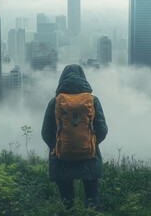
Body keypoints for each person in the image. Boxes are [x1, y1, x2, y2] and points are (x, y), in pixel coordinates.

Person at [41, 64, 108, 210]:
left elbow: (46, 133)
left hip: (61, 160)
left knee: (67, 202)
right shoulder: (92, 101)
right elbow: (102, 130)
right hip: (89, 158)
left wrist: (58, 147)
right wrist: (91, 144)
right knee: (92, 198)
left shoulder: (55, 102)